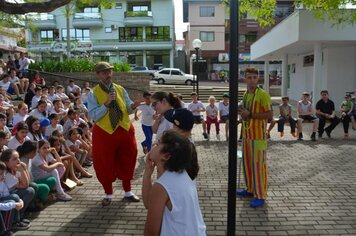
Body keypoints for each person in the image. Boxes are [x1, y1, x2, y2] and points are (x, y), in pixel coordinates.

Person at [87, 61, 142, 206]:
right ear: (98, 75)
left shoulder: (120, 89)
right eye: (104, 72)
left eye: (109, 71)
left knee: (129, 157)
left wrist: (134, 106)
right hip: (104, 132)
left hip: (124, 129)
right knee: (104, 162)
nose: (108, 74)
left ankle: (128, 192)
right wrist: (106, 104)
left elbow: (128, 109)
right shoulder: (93, 93)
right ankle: (108, 194)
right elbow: (93, 115)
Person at [142, 130, 206, 236]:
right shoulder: (182, 174)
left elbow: (151, 232)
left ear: (166, 156)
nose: (153, 144)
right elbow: (149, 204)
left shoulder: (162, 186)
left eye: (158, 143)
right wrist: (147, 174)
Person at [236, 68, 273, 208]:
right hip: (246, 136)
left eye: (254, 77)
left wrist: (249, 114)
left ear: (258, 79)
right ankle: (250, 189)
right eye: (249, 77)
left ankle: (261, 195)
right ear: (245, 79)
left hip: (258, 138)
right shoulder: (246, 94)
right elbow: (245, 112)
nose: (252, 80)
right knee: (247, 165)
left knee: (258, 166)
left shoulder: (263, 95)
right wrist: (241, 113)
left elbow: (269, 115)